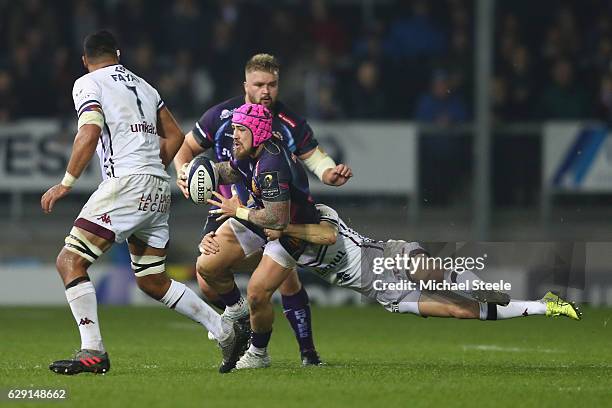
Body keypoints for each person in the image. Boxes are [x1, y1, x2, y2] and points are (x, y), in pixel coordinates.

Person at [40, 30, 248, 375]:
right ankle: (225, 329)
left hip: (126, 184)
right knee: (151, 279)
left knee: (69, 261)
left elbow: (89, 132)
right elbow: (176, 135)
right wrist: (152, 168)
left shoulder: (88, 82)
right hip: (156, 186)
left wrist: (66, 183)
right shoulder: (144, 85)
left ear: (85, 60)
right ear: (118, 54)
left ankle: (92, 350)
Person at [174, 53, 352, 365]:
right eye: (259, 84)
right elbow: (186, 149)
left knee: (283, 280)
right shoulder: (221, 117)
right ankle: (237, 314)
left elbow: (316, 157)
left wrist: (328, 173)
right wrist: (184, 173)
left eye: (272, 84)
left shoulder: (288, 123)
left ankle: (304, 352)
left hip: (278, 214)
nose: (266, 91)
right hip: (234, 209)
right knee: (207, 274)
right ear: (246, 84)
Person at [201, 203, 582, 325]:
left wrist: (274, 225)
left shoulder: (319, 213)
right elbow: (245, 257)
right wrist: (212, 239)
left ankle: (483, 286)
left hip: (388, 255)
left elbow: (326, 236)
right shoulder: (279, 248)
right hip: (384, 292)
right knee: (463, 312)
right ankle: (546, 305)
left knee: (438, 277)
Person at [196, 103, 324, 370]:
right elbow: (230, 171)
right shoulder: (250, 150)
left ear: (257, 132)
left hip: (292, 231)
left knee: (257, 293)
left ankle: (258, 353)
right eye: (233, 129)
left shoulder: (271, 163)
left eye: (240, 129)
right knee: (206, 265)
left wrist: (238, 209)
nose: (235, 135)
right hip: (258, 219)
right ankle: (237, 311)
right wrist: (200, 172)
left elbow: (278, 220)